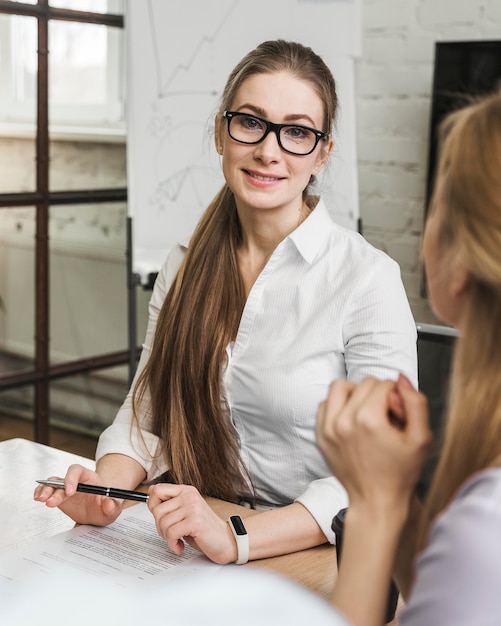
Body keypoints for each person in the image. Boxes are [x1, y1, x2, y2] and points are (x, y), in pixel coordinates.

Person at [35, 39, 417, 564]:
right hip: (196, 531)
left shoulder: (368, 280)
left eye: (298, 132)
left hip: (321, 551)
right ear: (221, 132)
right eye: (251, 122)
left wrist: (236, 536)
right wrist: (106, 491)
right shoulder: (185, 262)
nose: (269, 150)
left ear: (322, 153)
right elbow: (148, 411)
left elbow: (380, 472)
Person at [317, 90, 501, 625]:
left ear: (464, 258)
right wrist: (394, 495)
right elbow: (448, 596)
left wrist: (372, 503)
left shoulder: (485, 529)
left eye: (437, 200)